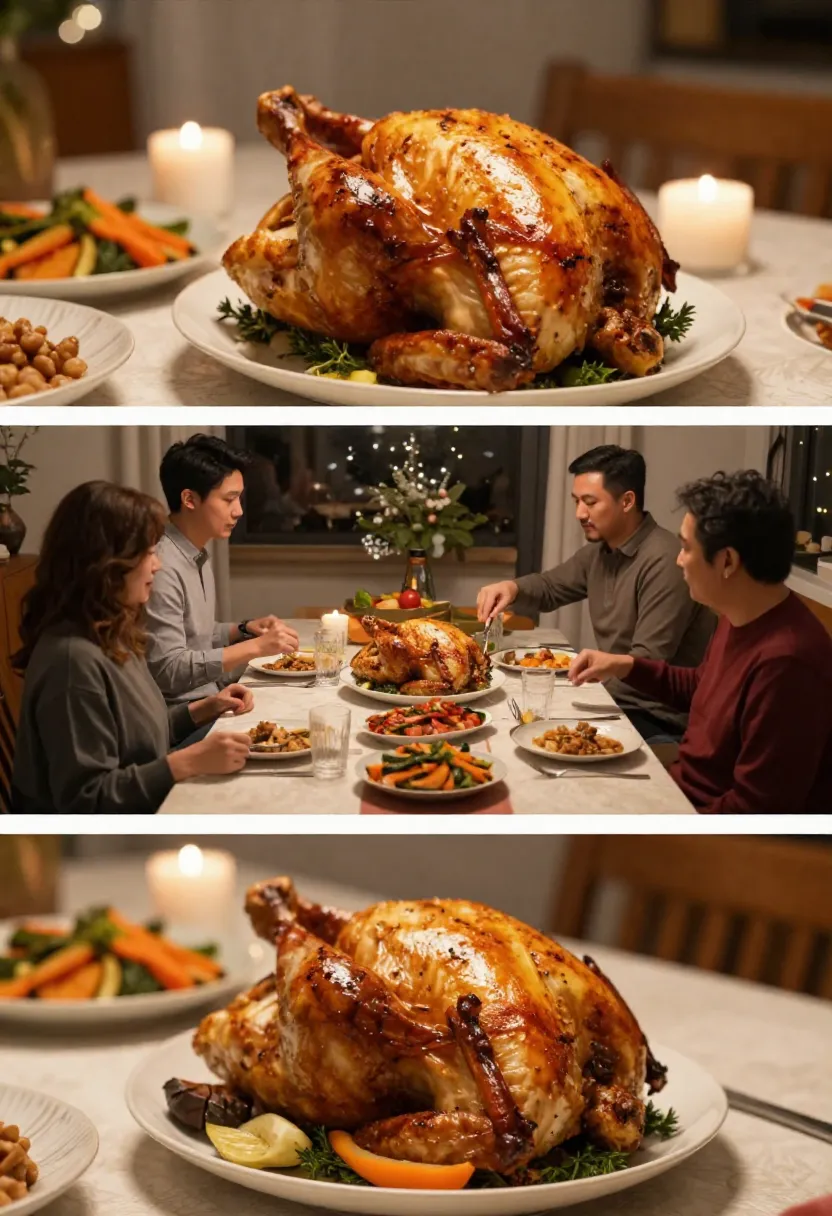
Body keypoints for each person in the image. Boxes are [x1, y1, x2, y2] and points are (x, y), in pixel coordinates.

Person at [570, 470, 832, 814]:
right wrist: (625, 665)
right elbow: (702, 687)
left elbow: (756, 811)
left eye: (685, 547)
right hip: (681, 796)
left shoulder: (788, 662)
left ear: (727, 562)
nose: (678, 560)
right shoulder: (741, 615)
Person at [11, 481, 253, 813]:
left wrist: (207, 707)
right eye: (149, 552)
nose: (158, 565)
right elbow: (87, 801)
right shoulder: (73, 662)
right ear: (107, 562)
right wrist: (188, 761)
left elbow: (144, 735)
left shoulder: (114, 631)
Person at [477, 444, 714, 739]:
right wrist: (511, 587)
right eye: (576, 501)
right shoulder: (602, 551)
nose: (579, 513)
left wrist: (572, 695)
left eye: (590, 502)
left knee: (531, 729)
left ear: (627, 501)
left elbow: (648, 661)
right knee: (512, 719)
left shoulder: (664, 559)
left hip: (655, 717)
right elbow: (551, 587)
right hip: (618, 701)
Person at [145, 434, 300, 708]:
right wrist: (254, 647)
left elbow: (195, 636)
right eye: (229, 499)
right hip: (185, 716)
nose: (239, 511)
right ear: (189, 499)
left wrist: (241, 630)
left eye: (239, 498)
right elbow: (168, 670)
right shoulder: (161, 565)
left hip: (213, 695)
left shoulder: (196, 552)